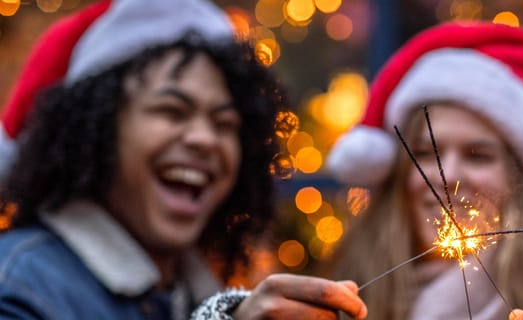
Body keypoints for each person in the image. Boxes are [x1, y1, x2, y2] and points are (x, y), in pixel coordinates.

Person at [0, 0, 366, 319]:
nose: (206, 139)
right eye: (173, 111)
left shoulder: (193, 291)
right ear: (94, 130)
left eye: (225, 123)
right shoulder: (21, 285)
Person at [326, 22, 523, 320]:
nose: (447, 175)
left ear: (521, 180)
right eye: (424, 153)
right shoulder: (336, 306)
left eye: (477, 156)